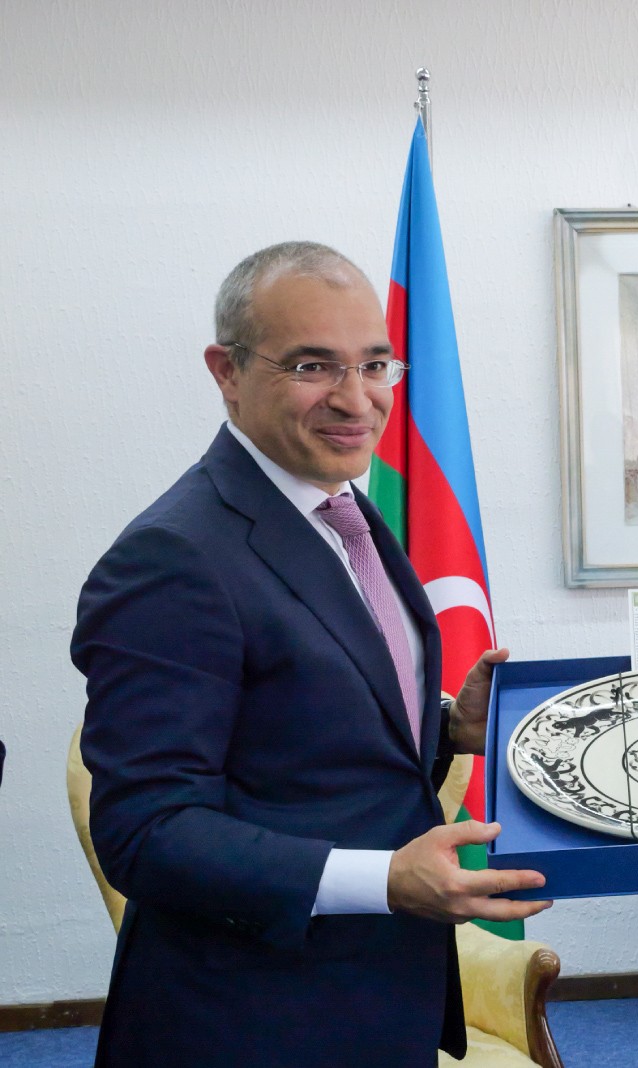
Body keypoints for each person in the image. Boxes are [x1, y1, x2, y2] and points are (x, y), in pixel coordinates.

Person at [72, 242, 548, 1068]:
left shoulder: (340, 508)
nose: (357, 399)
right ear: (226, 371)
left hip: (378, 996)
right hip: (248, 1022)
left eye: (374, 365)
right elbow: (147, 830)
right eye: (312, 366)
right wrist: (384, 880)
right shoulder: (172, 557)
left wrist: (444, 728)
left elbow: (296, 727)